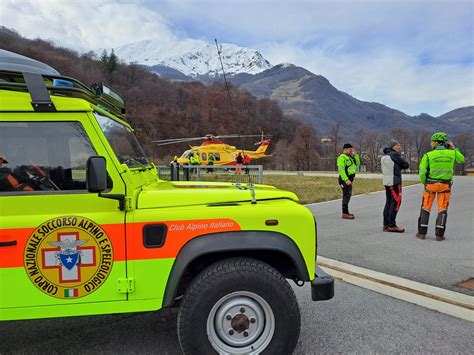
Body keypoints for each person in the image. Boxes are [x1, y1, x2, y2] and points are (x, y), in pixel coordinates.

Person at [416, 132, 464, 241]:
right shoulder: (451, 153)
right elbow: (461, 160)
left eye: (432, 141)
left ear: (437, 143)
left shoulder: (428, 155)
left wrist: (425, 183)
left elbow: (422, 172)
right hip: (445, 186)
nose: (431, 143)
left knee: (426, 207)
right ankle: (439, 235)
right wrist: (454, 148)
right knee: (442, 209)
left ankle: (422, 233)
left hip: (430, 185)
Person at [381, 139, 409, 232]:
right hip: (395, 181)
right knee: (396, 202)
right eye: (397, 145)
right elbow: (405, 165)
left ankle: (386, 224)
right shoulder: (395, 155)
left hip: (386, 181)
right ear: (392, 147)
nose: (399, 147)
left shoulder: (384, 156)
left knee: (388, 202)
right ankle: (392, 225)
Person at [337, 144, 360, 219]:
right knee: (346, 195)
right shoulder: (342, 158)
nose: (351, 151)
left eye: (352, 149)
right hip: (344, 180)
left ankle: (346, 212)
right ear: (345, 149)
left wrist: (355, 155)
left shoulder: (350, 157)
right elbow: (341, 170)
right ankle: (345, 213)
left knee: (348, 194)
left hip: (350, 180)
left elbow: (357, 163)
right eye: (350, 149)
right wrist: (346, 179)